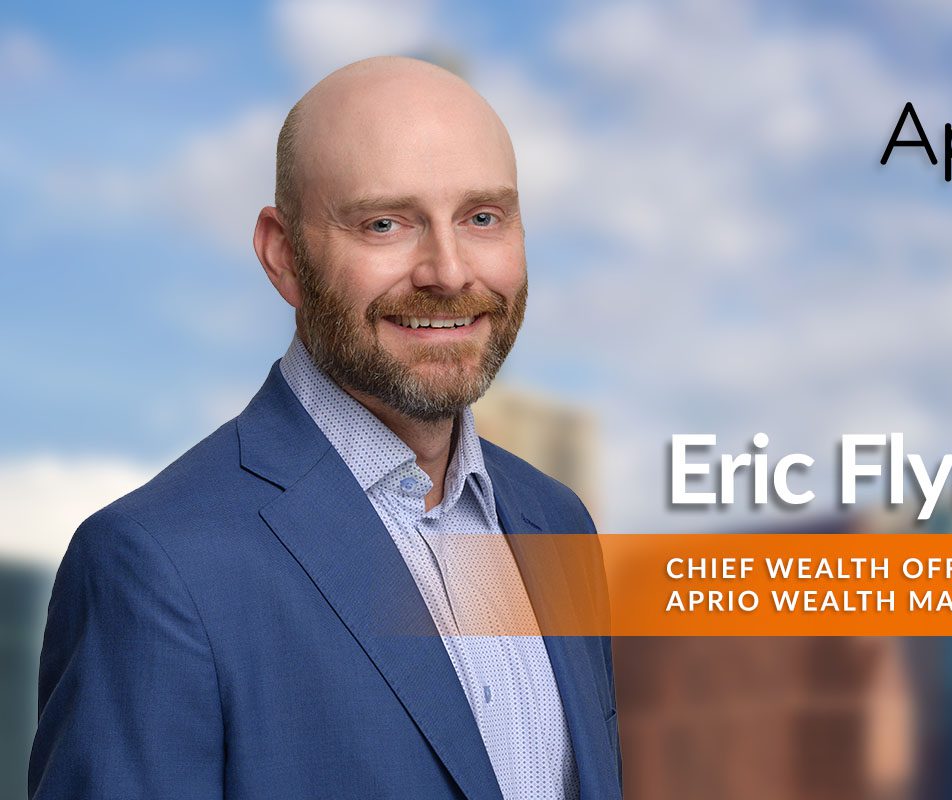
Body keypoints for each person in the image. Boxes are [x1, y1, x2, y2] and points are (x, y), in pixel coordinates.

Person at [28, 56, 621, 800]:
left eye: (481, 218)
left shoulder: (557, 523)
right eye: (384, 223)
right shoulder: (154, 567)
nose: (448, 271)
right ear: (283, 256)